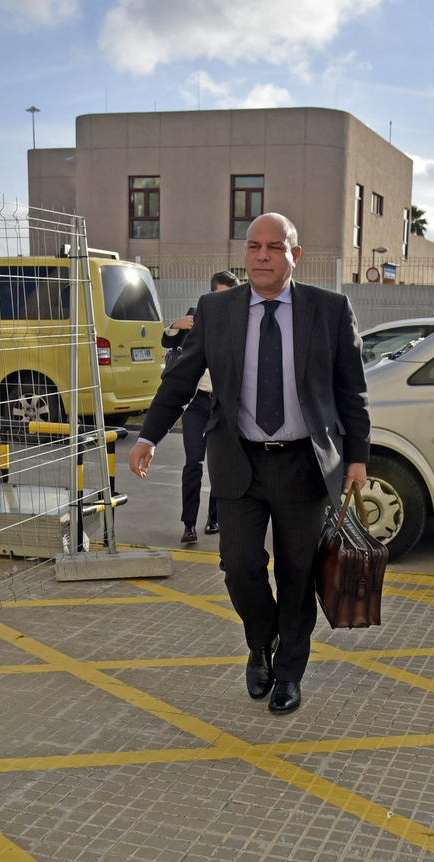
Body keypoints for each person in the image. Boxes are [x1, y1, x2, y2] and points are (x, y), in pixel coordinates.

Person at [129, 214, 369, 715]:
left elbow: (351, 393)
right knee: (239, 569)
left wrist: (357, 460)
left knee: (299, 575)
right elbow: (180, 379)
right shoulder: (217, 310)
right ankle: (262, 643)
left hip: (305, 465)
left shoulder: (329, 310)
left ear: (294, 256)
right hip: (240, 462)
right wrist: (149, 435)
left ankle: (288, 675)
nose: (262, 255)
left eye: (275, 247)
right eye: (254, 246)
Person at [163, 270, 239, 543]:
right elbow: (168, 341)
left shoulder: (239, 319)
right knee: (193, 462)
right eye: (220, 296)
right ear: (209, 295)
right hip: (196, 405)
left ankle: (214, 518)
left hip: (222, 407)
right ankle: (188, 525)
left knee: (220, 466)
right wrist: (174, 324)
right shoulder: (196, 315)